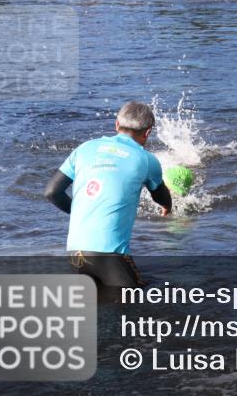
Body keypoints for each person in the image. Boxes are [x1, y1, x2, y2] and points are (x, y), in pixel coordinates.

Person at [44, 102, 172, 299]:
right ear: (147, 133)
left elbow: (52, 192)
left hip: (76, 252)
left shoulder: (85, 148)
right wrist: (167, 206)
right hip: (110, 254)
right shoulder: (146, 159)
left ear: (116, 125)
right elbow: (160, 195)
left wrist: (80, 211)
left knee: (101, 308)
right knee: (143, 303)